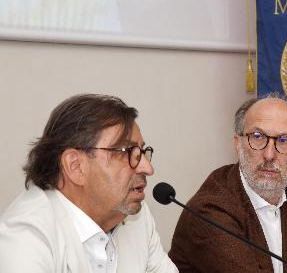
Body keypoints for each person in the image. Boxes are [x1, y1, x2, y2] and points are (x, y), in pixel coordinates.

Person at [168, 93, 287, 273]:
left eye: (284, 140)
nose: (269, 155)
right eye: (257, 137)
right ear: (238, 144)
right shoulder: (210, 209)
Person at [0, 94, 178, 273]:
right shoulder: (26, 239)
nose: (148, 168)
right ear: (75, 166)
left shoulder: (136, 217)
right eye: (127, 152)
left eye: (142, 152)